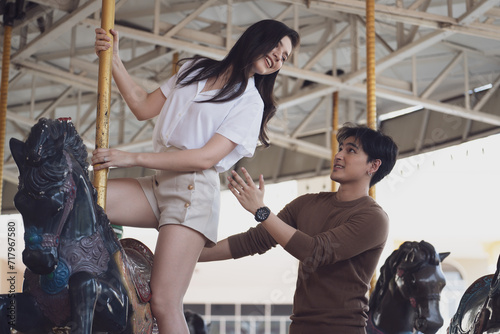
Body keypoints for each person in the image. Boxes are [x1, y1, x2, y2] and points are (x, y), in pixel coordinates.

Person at [92, 20, 299, 334]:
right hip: (160, 182)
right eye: (277, 48)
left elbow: (206, 157)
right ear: (258, 37)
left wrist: (131, 158)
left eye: (284, 58)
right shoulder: (195, 69)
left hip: (193, 191)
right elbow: (142, 105)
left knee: (164, 301)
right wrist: (114, 58)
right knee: (89, 200)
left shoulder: (250, 103)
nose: (278, 59)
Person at [199, 123, 399, 334]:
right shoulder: (306, 204)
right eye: (340, 148)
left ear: (373, 166)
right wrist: (183, 258)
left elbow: (314, 252)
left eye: (350, 150)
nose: (339, 155)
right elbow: (251, 241)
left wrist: (262, 211)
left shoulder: (373, 218)